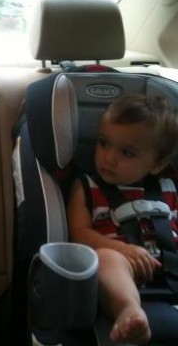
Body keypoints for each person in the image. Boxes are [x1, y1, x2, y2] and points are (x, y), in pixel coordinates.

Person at [67, 94, 178, 344]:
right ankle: (129, 310)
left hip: (170, 267)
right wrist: (122, 249)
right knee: (106, 259)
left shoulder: (169, 189)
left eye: (126, 152)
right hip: (119, 273)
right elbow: (80, 234)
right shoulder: (86, 187)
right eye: (104, 143)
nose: (109, 157)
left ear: (157, 164)